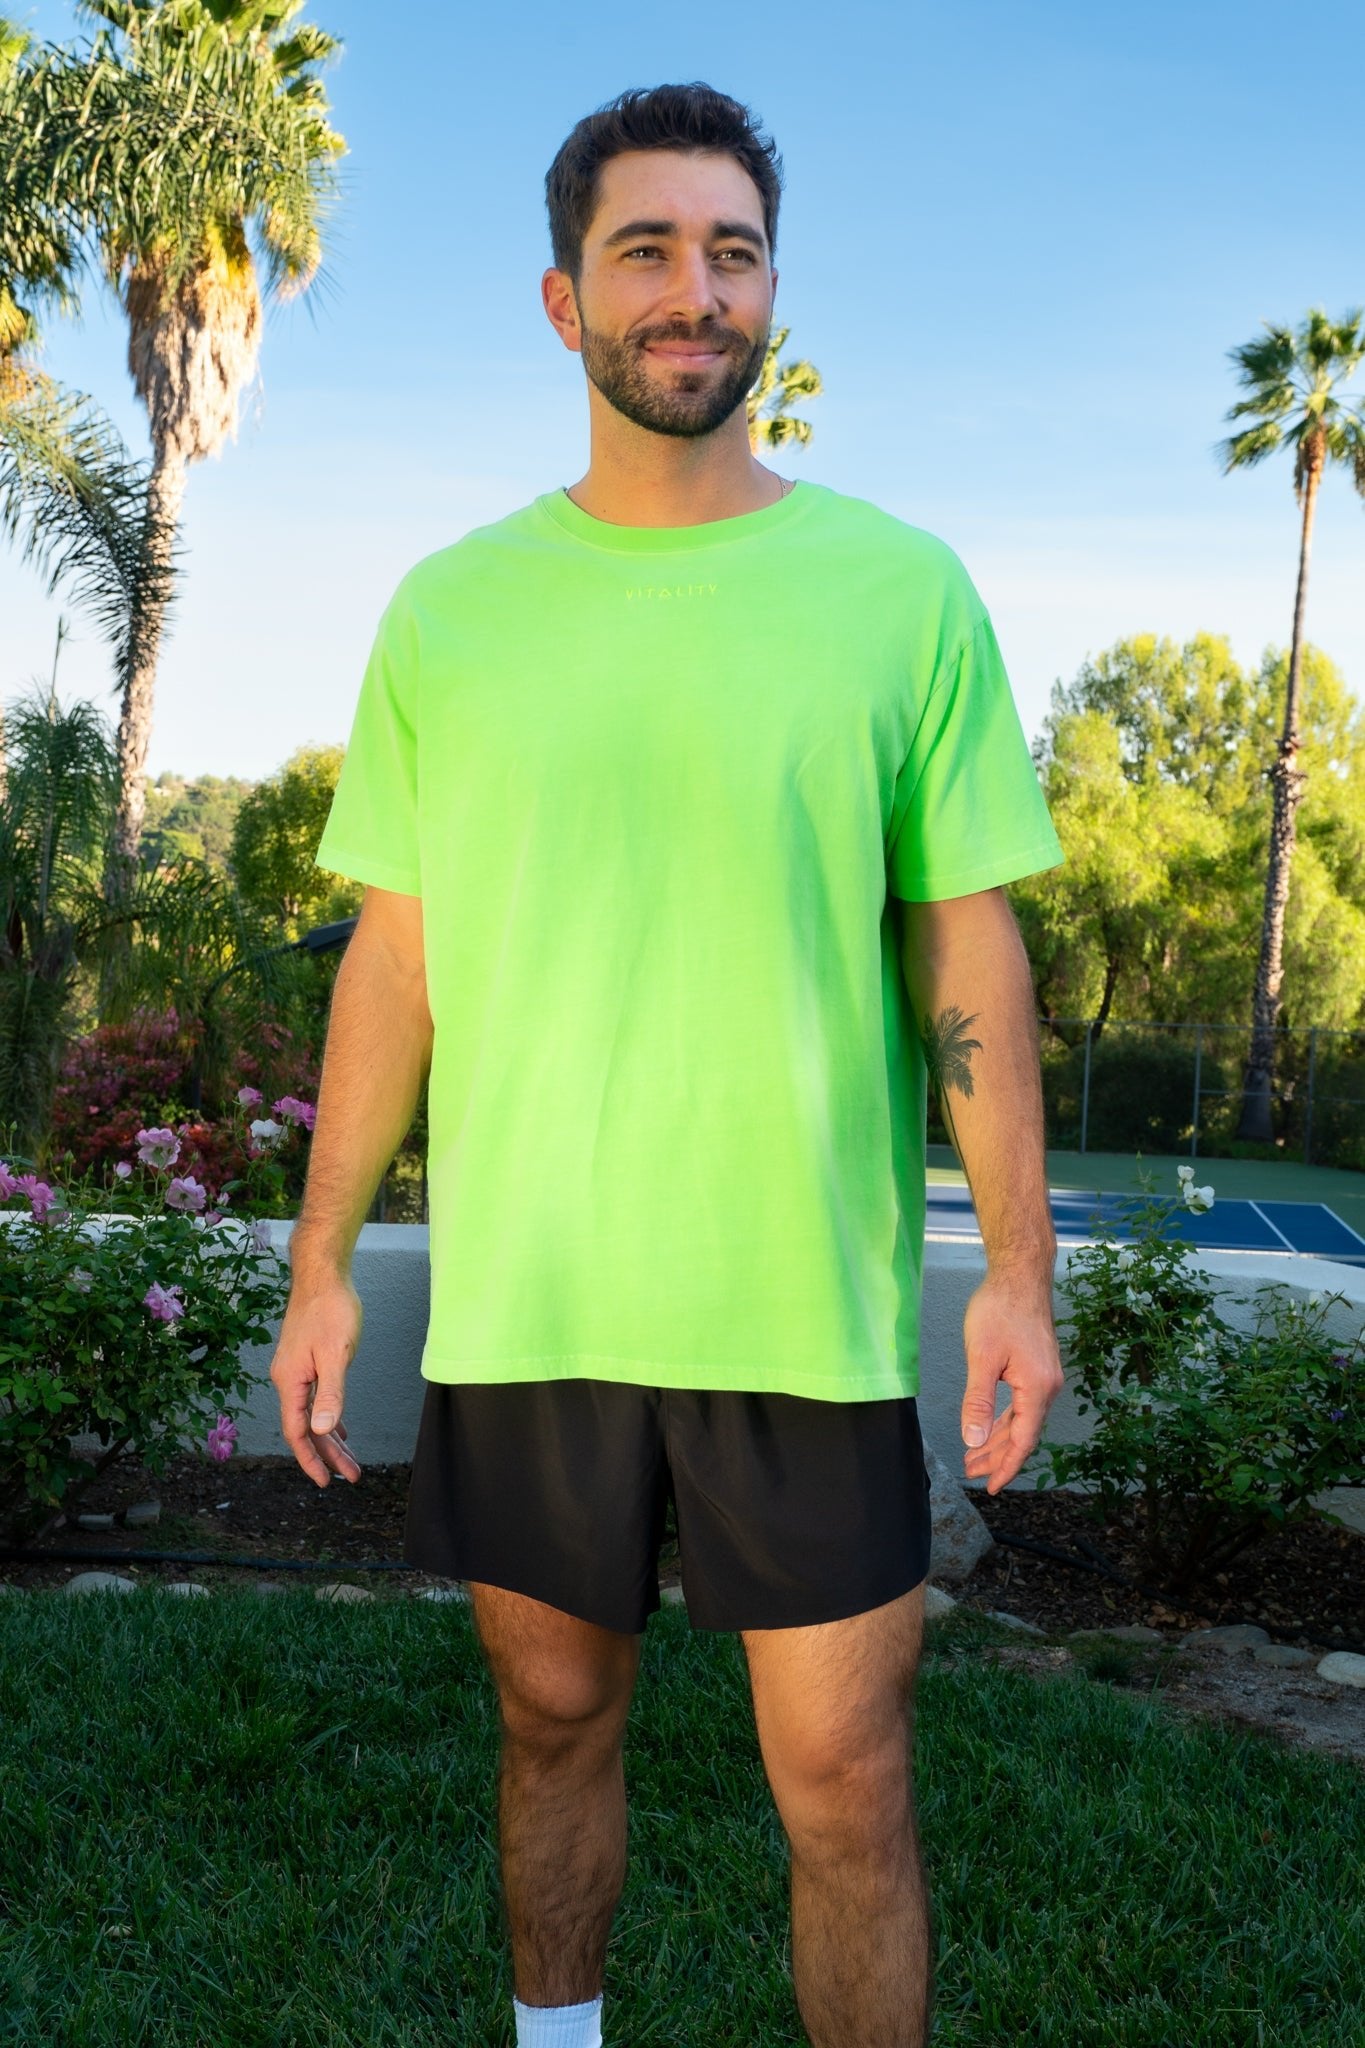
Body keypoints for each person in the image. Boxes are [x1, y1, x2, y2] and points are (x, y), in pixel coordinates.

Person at [270, 80, 1066, 2048]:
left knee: (847, 1783)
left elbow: (963, 937)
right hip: (531, 1297)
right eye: (645, 249)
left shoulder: (897, 593)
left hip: (796, 1301)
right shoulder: (452, 611)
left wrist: (1024, 1272)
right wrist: (315, 1260)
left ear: (769, 292)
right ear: (564, 303)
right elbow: (401, 954)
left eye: (729, 248)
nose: (691, 289)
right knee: (549, 1725)